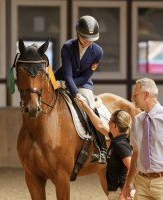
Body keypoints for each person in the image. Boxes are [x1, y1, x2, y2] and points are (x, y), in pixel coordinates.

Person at [55, 15, 107, 163]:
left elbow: (85, 77)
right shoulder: (67, 47)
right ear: (78, 33)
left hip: (83, 85)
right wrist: (71, 90)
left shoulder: (98, 52)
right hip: (63, 79)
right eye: (85, 37)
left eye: (91, 39)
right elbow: (68, 74)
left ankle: (100, 147)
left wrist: (77, 93)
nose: (87, 41)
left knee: (90, 107)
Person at [77, 96, 134, 200]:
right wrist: (85, 106)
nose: (108, 122)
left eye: (110, 121)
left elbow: (132, 167)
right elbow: (99, 125)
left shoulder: (121, 145)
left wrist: (124, 192)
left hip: (120, 192)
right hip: (115, 191)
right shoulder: (115, 138)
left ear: (115, 126)